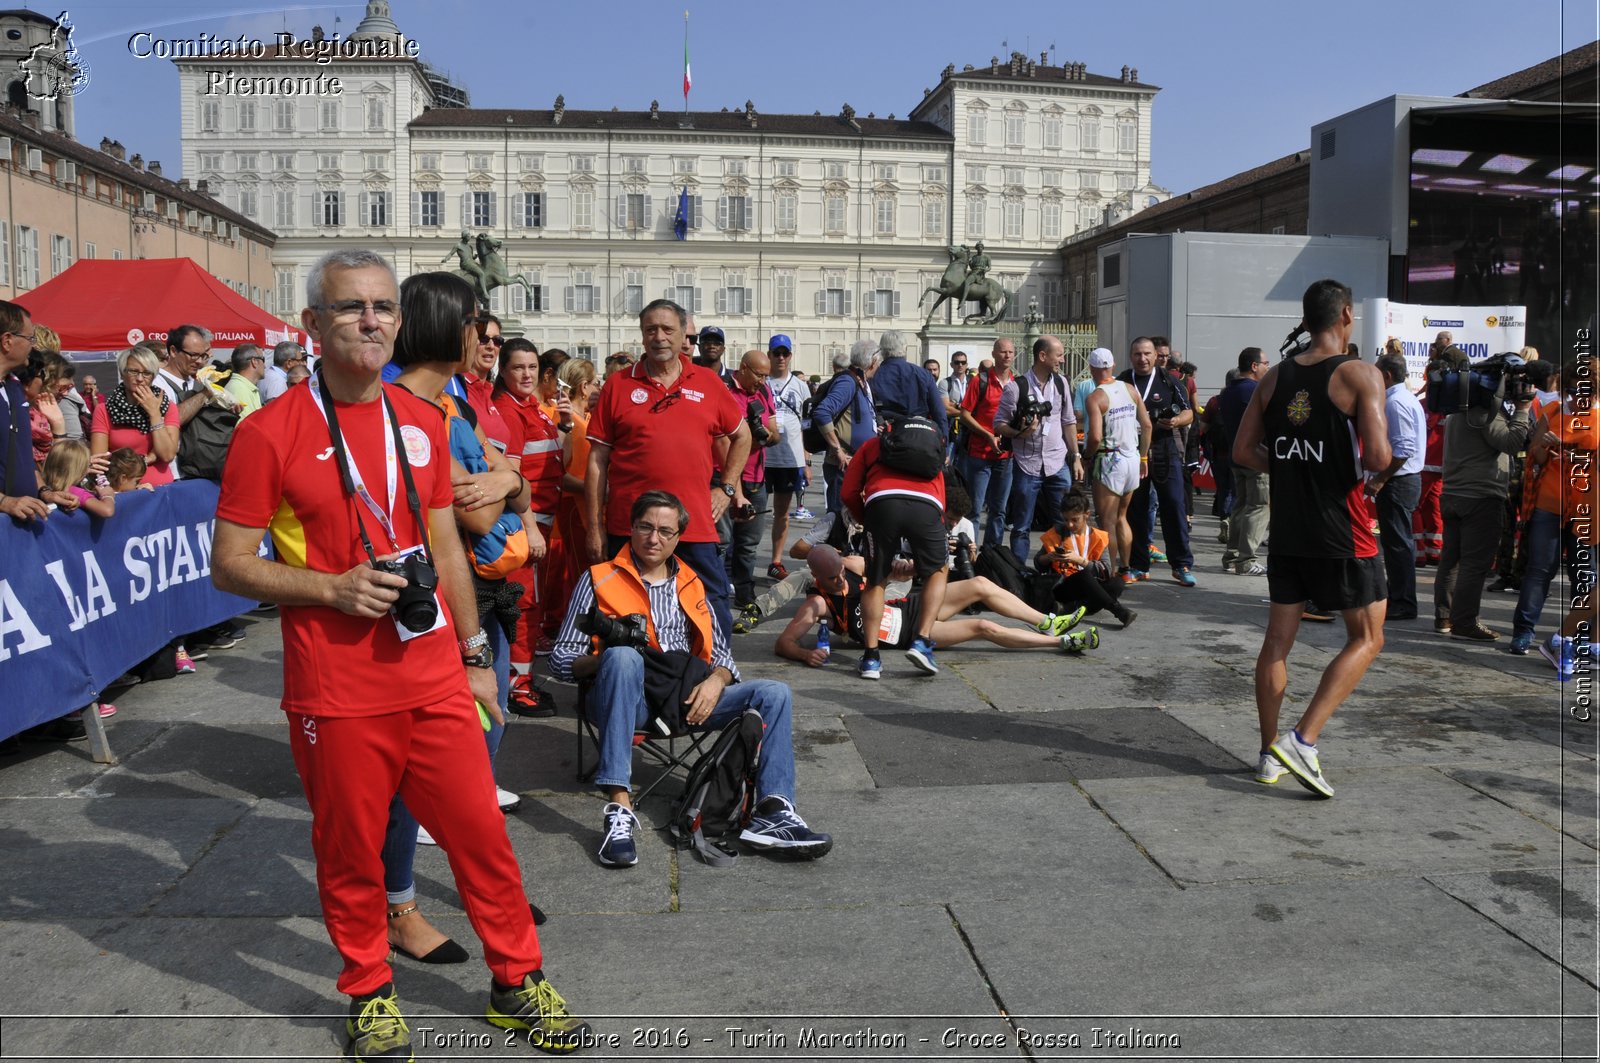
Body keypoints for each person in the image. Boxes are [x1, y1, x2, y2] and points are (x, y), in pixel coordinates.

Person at [211, 248, 590, 1058]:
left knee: (480, 833)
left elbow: (447, 548)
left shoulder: (419, 421)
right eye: (352, 307)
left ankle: (515, 979)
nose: (372, 320)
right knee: (348, 851)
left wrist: (476, 651)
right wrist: (331, 588)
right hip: (334, 684)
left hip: (433, 673)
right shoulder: (268, 432)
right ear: (313, 324)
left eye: (383, 306)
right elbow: (229, 562)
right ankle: (369, 994)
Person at [549, 490, 832, 867]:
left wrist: (716, 680)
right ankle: (619, 809)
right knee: (622, 657)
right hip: (627, 702)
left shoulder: (691, 582)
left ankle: (773, 811)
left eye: (666, 531)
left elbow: (722, 654)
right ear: (630, 529)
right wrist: (604, 657)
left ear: (678, 537)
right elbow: (560, 659)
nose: (654, 538)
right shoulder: (598, 579)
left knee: (774, 692)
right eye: (646, 527)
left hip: (685, 699)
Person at [1233, 278, 1391, 799]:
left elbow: (1243, 451)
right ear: (1346, 314)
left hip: (1290, 530)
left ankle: (1267, 752)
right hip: (1342, 529)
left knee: (1277, 643)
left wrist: (1288, 467)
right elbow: (1377, 459)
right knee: (1368, 637)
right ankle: (1304, 740)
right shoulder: (1360, 374)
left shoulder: (1274, 377)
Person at [586, 299, 752, 643]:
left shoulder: (707, 382)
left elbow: (742, 436)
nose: (659, 337)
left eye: (667, 329)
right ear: (642, 336)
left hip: (694, 524)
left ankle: (715, 677)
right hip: (630, 525)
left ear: (682, 335)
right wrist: (594, 527)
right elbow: (597, 460)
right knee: (622, 609)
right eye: (650, 330)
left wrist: (727, 488)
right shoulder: (618, 386)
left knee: (709, 604)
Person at [776, 543, 1098, 668]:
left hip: (911, 607)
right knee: (983, 627)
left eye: (841, 573)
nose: (840, 580)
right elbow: (784, 642)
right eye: (832, 579)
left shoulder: (850, 565)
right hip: (910, 633)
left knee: (981, 585)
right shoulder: (817, 603)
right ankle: (1060, 641)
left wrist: (908, 569)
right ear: (817, 577)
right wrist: (806, 654)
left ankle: (1047, 620)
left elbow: (890, 571)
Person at [839, 410, 948, 679]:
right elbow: (941, 497)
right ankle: (922, 641)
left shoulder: (873, 445)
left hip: (882, 504)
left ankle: (871, 658)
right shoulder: (930, 446)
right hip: (928, 506)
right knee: (938, 569)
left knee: (876, 580)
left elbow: (848, 492)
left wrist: (868, 520)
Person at [1433, 356, 1532, 641]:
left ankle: (1444, 618)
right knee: (1475, 565)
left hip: (1453, 493)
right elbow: (1512, 443)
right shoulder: (1485, 411)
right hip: (1480, 496)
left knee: (1450, 560)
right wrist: (1523, 409)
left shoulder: (1458, 408)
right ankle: (1465, 622)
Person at [995, 334, 1082, 563]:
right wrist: (1019, 433)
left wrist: (1076, 457)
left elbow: (1069, 421)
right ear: (1042, 356)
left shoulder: (1062, 383)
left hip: (1057, 462)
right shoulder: (1017, 387)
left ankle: (1061, 566)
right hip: (1027, 463)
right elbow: (999, 424)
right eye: (1059, 355)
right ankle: (1018, 572)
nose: (1062, 360)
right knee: (1022, 525)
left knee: (1065, 521)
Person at [1119, 336, 1196, 585]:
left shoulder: (1168, 380)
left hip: (1164, 450)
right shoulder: (1122, 381)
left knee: (1174, 504)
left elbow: (1189, 412)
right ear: (1131, 356)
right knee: (1136, 509)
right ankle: (1139, 565)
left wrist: (1175, 421)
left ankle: (1181, 564)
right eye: (1137, 354)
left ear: (1155, 356)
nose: (1142, 359)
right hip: (1131, 452)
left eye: (1147, 354)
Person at [1365, 353, 1427, 621]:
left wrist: (1380, 479)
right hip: (1401, 480)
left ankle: (1403, 602)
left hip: (1398, 481)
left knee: (1398, 544)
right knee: (1396, 543)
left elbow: (1403, 449)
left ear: (1387, 375)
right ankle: (1398, 597)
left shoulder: (1396, 403)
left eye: (1378, 372)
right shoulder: (1400, 399)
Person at [722, 349, 779, 630]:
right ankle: (716, 594)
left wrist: (762, 436)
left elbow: (775, 433)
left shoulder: (764, 392)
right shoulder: (724, 391)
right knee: (720, 543)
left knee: (748, 544)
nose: (762, 381)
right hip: (727, 478)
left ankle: (744, 595)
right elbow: (722, 439)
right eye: (759, 374)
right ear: (743, 368)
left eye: (766, 376)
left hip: (757, 477)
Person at [1082, 347, 1150, 581]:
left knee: (1107, 520)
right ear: (1111, 366)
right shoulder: (1130, 389)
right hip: (1131, 457)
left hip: (1110, 458)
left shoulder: (1096, 397)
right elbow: (1147, 425)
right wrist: (1143, 457)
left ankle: (1110, 571)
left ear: (1092, 368)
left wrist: (1086, 456)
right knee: (1122, 516)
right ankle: (1126, 569)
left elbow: (1094, 437)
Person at [1037, 493, 1136, 628]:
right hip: (1064, 586)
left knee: (1117, 583)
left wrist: (1080, 561)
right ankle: (1117, 610)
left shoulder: (1098, 537)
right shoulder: (1057, 533)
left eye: (1075, 519)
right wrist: (1048, 558)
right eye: (1066, 519)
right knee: (1083, 576)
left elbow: (1106, 570)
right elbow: (1039, 563)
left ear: (1086, 515)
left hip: (1089, 585)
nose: (1070, 524)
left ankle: (1069, 608)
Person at [90, 347, 180, 487]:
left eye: (146, 373)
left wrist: (155, 414)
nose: (139, 379)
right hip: (122, 489)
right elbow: (100, 461)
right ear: (122, 372)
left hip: (160, 489)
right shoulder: (104, 410)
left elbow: (167, 455)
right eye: (133, 371)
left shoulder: (167, 407)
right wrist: (146, 459)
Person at [959, 338, 1018, 546]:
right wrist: (987, 435)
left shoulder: (1017, 382)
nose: (1007, 356)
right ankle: (973, 552)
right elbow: (964, 414)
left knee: (999, 510)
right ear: (994, 354)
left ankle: (992, 552)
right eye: (1003, 352)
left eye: (1011, 352)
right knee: (975, 509)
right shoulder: (980, 381)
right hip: (980, 454)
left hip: (1005, 455)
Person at [1219, 348, 1271, 576]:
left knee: (1240, 506)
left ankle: (1232, 556)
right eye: (1265, 363)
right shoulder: (1256, 390)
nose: (1267, 368)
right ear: (1254, 366)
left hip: (1236, 455)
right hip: (1256, 457)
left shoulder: (1227, 391)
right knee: (1258, 506)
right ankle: (1247, 560)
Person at [813, 342, 878, 517]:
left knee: (849, 519)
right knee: (838, 518)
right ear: (872, 361)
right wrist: (837, 449)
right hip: (842, 467)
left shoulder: (860, 381)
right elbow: (822, 412)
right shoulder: (847, 382)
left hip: (854, 465)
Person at [764, 336, 811, 575]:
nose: (781, 358)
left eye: (785, 353)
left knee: (782, 512)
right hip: (762, 458)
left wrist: (807, 460)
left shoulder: (800, 386)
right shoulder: (762, 383)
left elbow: (806, 425)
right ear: (769, 355)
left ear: (790, 356)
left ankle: (775, 560)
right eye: (776, 353)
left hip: (789, 458)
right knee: (754, 513)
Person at [0, 299, 48, 523]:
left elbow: (22, 456)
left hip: (18, 527)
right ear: (7, 341)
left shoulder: (14, 386)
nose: (33, 346)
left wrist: (44, 491)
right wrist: (5, 502)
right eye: (29, 339)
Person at [869, 329, 948, 438]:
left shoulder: (873, 375)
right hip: (917, 436)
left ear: (881, 350)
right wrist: (944, 442)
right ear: (905, 348)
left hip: (885, 434)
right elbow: (939, 412)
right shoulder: (923, 375)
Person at [224, 344, 268, 419]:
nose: (265, 366)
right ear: (254, 361)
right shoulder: (240, 389)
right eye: (263, 360)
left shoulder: (245, 387)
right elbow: (247, 427)